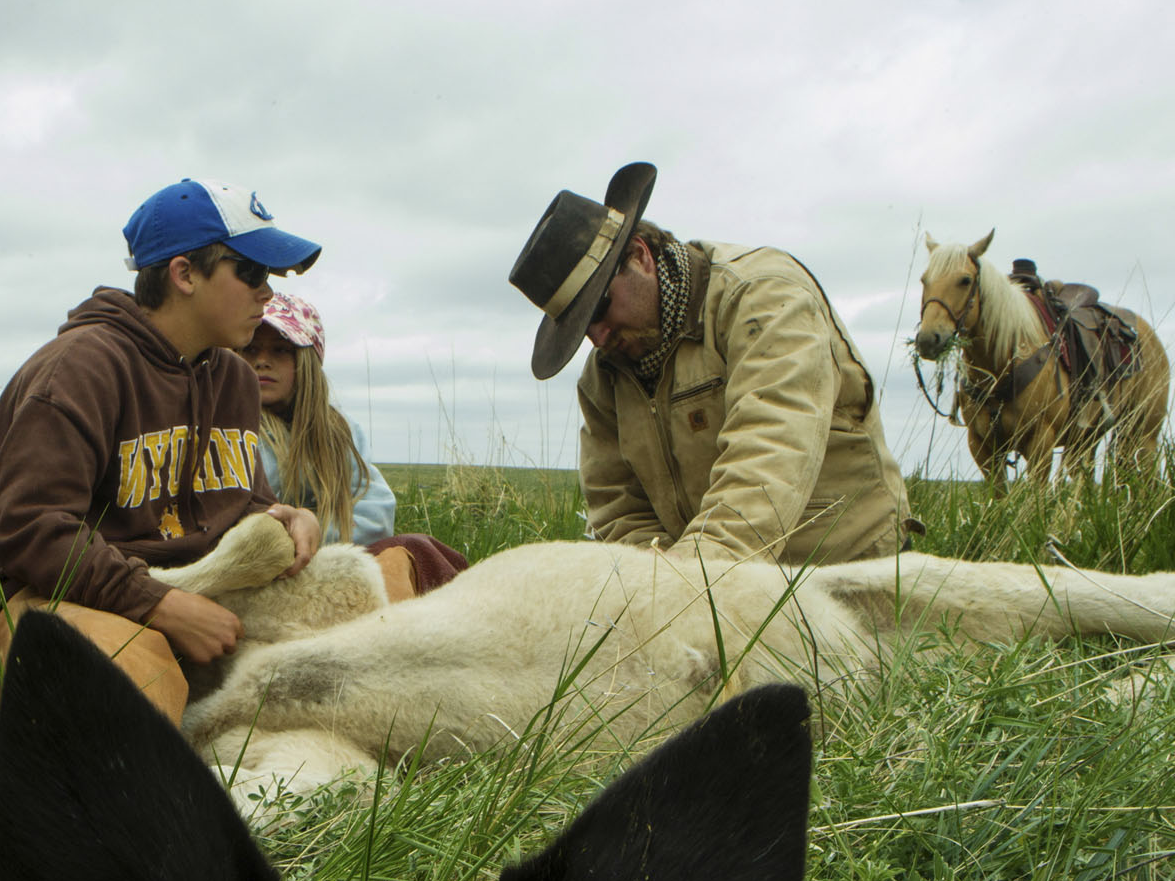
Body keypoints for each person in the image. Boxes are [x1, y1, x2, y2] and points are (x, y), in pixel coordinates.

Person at [0, 179, 324, 723]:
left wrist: (284, 517)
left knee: (369, 595)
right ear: (184, 274)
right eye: (251, 272)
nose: (267, 293)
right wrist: (159, 605)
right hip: (51, 593)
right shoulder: (79, 369)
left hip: (191, 585)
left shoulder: (233, 378)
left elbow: (238, 503)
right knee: (132, 675)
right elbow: (33, 530)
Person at [509, 162, 916, 566]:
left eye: (599, 308)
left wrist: (691, 580)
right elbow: (618, 510)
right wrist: (653, 580)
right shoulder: (604, 377)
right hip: (715, 581)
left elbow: (770, 453)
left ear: (639, 257)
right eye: (580, 327)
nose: (598, 338)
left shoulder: (763, 299)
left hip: (847, 569)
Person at [243, 291, 468, 597]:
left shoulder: (338, 431)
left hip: (326, 561)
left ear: (306, 361)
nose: (262, 361)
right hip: (256, 570)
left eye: (281, 350)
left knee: (416, 549)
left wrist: (315, 531)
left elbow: (376, 512)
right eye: (251, 348)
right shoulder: (229, 429)